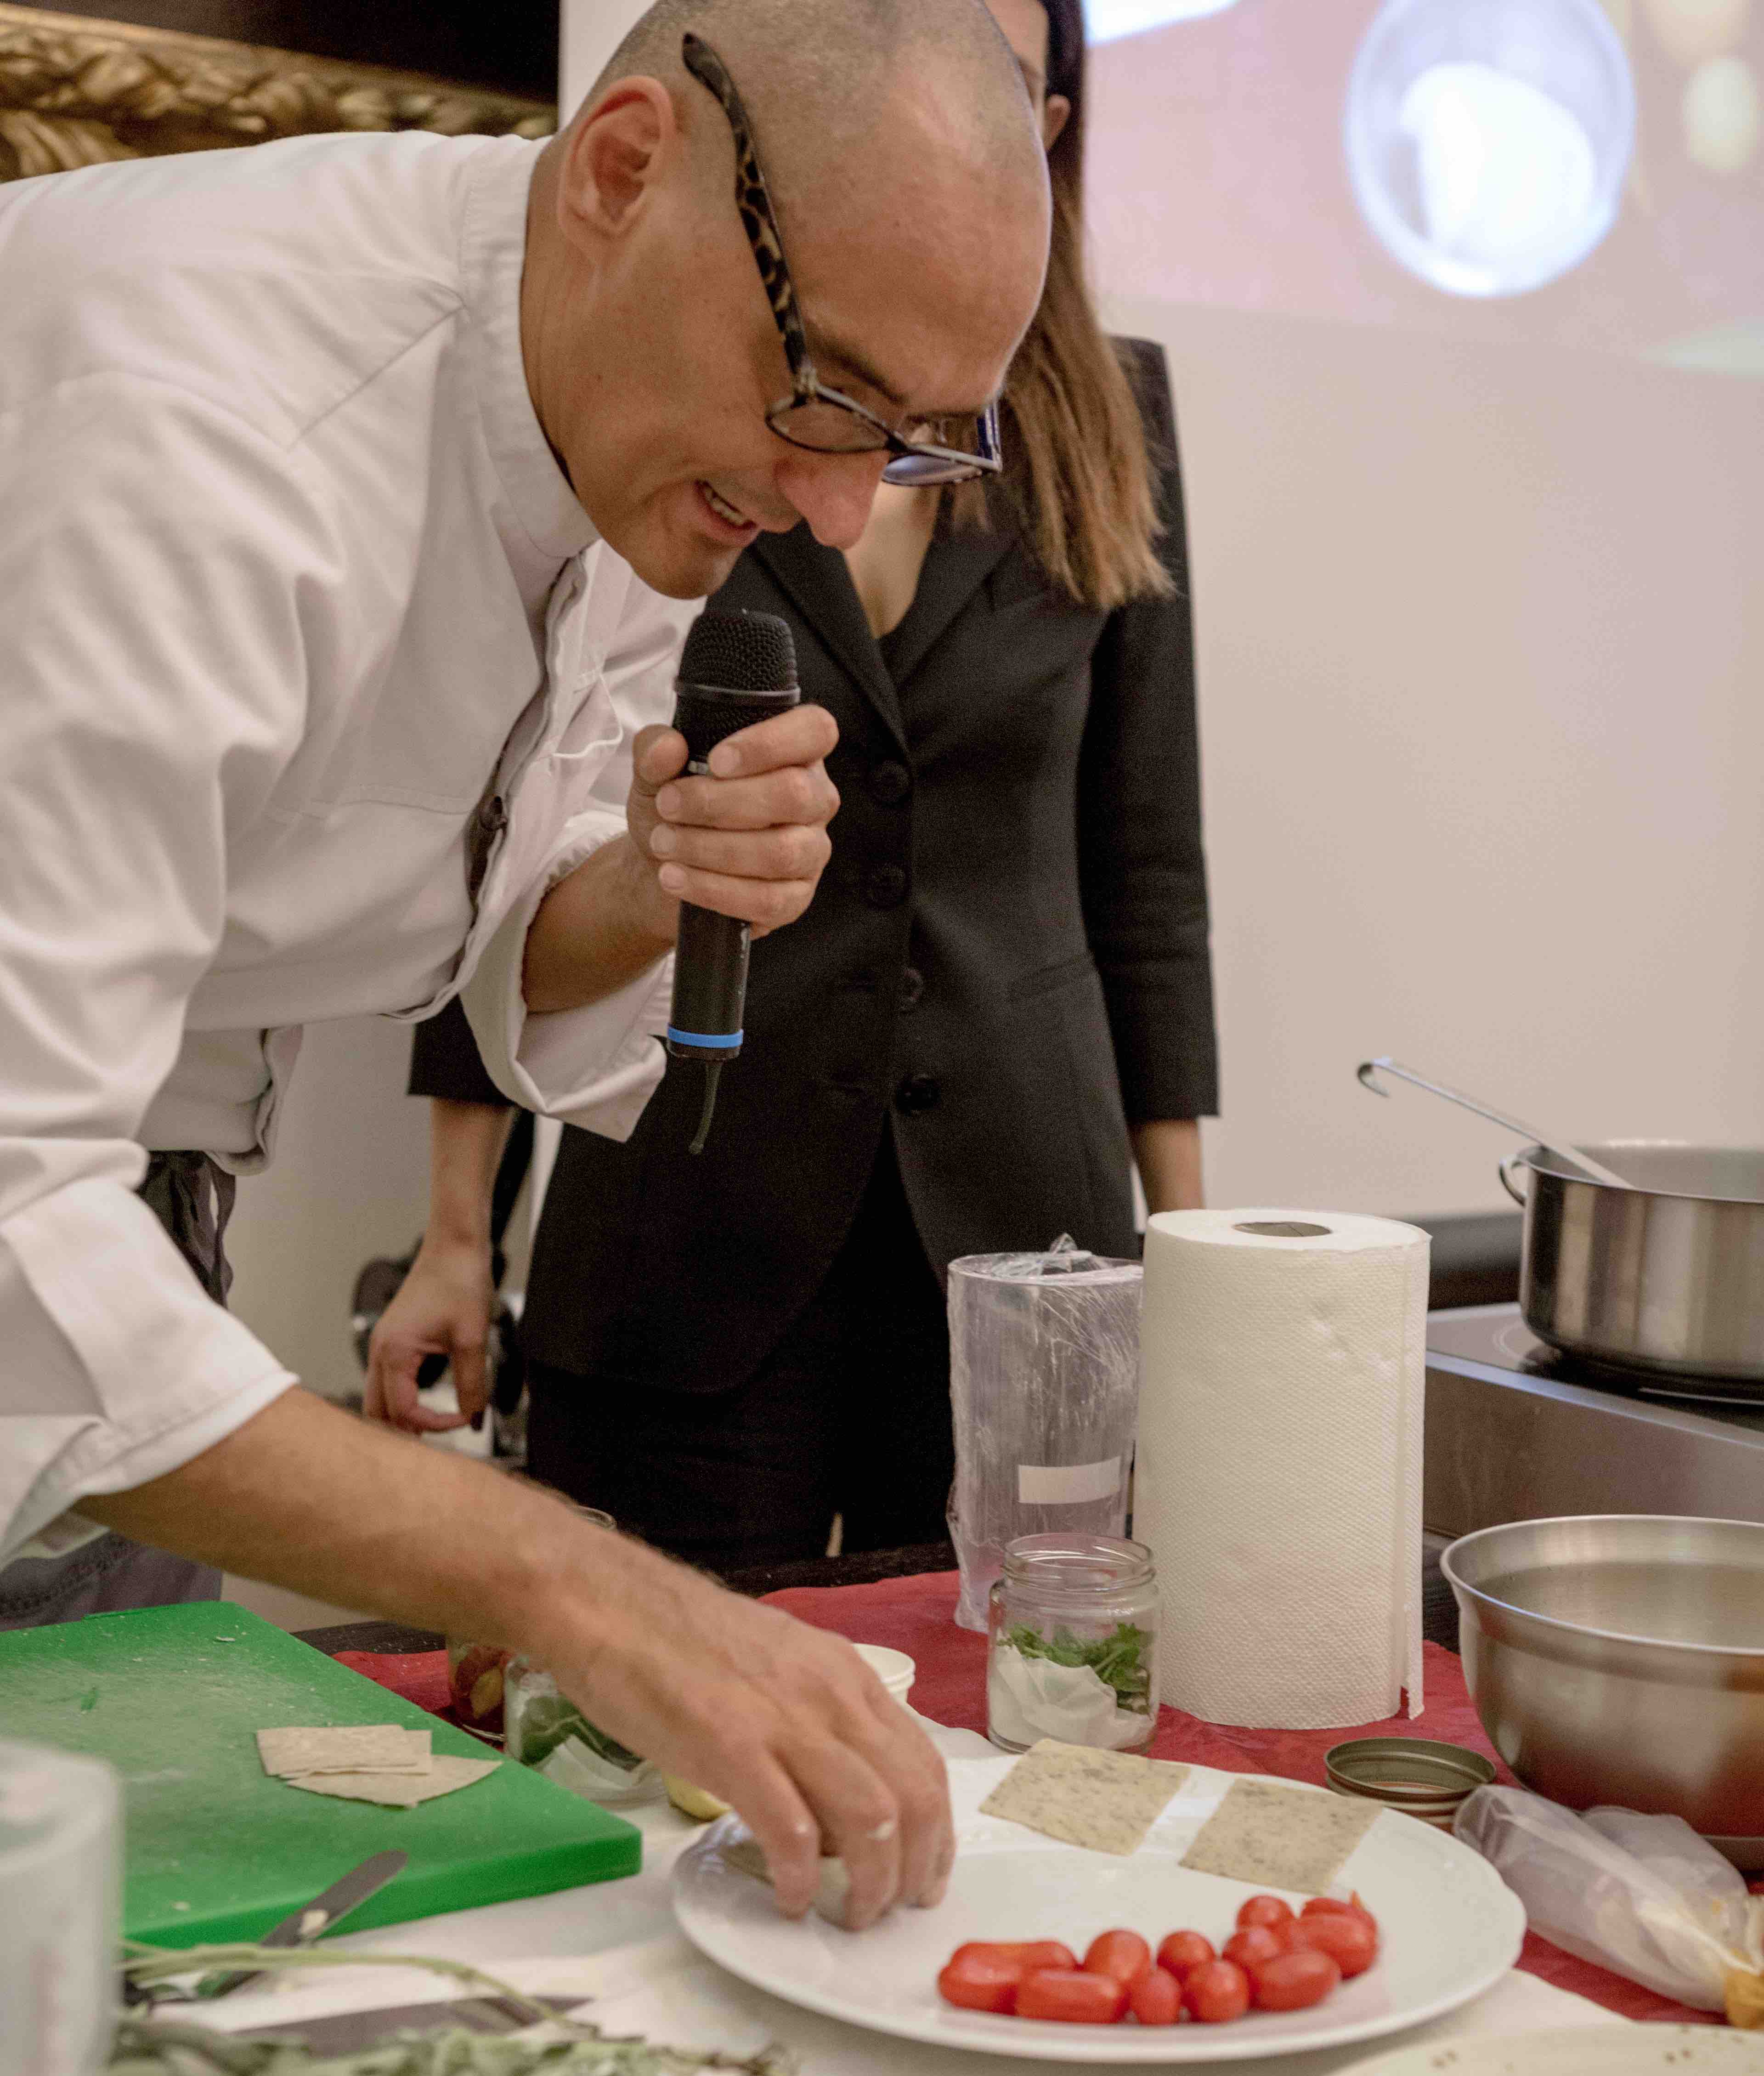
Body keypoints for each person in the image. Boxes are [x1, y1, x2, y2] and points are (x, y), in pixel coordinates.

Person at [0, 0, 1055, 1926]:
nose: (835, 511)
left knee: (107, 1944)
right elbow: (10, 1222)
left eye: (913, 442)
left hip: (143, 1244)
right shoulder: (204, 430)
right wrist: (584, 1584)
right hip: (53, 1243)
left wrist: (647, 883)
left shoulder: (633, 405)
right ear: (626, 167)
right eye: (827, 393)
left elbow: (490, 938)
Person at [372, 0, 1216, 1573]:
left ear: (1044, 126)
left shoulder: (1118, 412)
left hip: (1021, 1220)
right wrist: (454, 1232)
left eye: (998, 74)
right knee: (644, 1680)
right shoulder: (675, 383)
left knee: (1014, 1685)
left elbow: (1147, 871)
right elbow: (506, 822)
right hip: (683, 1193)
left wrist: (1189, 1262)